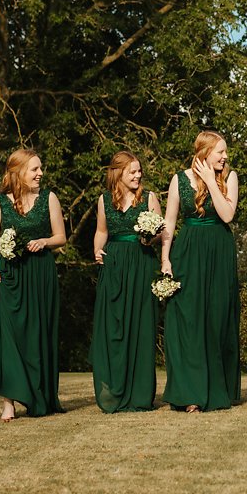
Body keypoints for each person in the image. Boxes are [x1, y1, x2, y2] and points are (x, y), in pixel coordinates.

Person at [0, 149, 67, 421]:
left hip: (40, 274)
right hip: (9, 275)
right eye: (35, 169)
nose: (40, 173)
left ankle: (39, 396)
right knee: (8, 337)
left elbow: (61, 237)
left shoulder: (49, 199)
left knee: (37, 335)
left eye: (41, 168)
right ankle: (9, 402)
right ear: (17, 172)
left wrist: (45, 242)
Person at [160, 131, 240, 412]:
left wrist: (210, 182)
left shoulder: (229, 177)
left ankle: (216, 389)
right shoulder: (179, 179)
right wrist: (165, 259)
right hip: (188, 252)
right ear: (204, 152)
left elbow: (227, 215)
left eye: (225, 152)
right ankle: (190, 392)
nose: (225, 156)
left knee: (215, 319)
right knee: (187, 320)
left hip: (219, 251)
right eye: (220, 151)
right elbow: (169, 221)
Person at [90, 151, 160, 413]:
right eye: (132, 171)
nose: (137, 175)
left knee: (141, 327)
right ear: (118, 174)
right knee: (113, 328)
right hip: (114, 266)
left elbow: (160, 233)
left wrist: (148, 237)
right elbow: (102, 231)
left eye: (139, 171)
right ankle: (113, 393)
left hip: (142, 264)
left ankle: (140, 396)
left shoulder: (149, 198)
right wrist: (97, 250)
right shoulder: (104, 200)